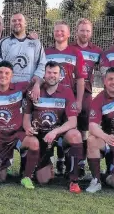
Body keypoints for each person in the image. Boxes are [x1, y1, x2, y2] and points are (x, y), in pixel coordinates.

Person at [23, 61, 83, 193]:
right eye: (49, 72)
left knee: (75, 135)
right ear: (44, 74)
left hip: (59, 135)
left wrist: (55, 131)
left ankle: (73, 180)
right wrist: (28, 128)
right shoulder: (33, 91)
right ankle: (46, 164)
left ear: (60, 75)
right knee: (43, 180)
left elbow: (73, 122)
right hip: (40, 137)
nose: (52, 76)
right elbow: (26, 119)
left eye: (55, 73)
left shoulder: (66, 91)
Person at [44, 21, 87, 177]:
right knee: (48, 128)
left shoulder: (76, 53)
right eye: (57, 31)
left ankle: (71, 167)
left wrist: (79, 101)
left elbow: (81, 79)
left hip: (68, 101)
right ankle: (46, 163)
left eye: (63, 31)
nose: (59, 33)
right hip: (49, 101)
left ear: (69, 34)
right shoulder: (46, 51)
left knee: (70, 132)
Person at [70, 18, 103, 178]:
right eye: (82, 30)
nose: (85, 33)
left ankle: (81, 164)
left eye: (87, 31)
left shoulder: (97, 51)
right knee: (67, 128)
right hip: (68, 93)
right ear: (76, 31)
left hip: (87, 94)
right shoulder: (69, 48)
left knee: (84, 131)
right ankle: (63, 161)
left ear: (91, 33)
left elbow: (107, 66)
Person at [0, 13, 46, 98]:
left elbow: (42, 64)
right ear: (10, 24)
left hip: (29, 90)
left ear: (25, 23)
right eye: (13, 21)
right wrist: (3, 83)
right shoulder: (4, 42)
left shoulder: (35, 43)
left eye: (19, 20)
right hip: (9, 90)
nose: (17, 22)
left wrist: (36, 82)